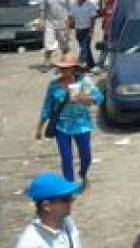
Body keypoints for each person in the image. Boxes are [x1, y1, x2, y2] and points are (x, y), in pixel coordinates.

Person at [35, 53, 103, 184]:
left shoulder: (84, 81)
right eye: (62, 68)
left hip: (82, 124)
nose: (64, 70)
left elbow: (99, 98)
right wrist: (40, 127)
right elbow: (47, 107)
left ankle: (83, 173)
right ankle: (69, 185)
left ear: (74, 68)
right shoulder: (54, 86)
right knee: (66, 157)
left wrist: (85, 98)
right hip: (62, 126)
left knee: (86, 156)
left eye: (67, 68)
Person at [14, 173, 83, 248]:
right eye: (66, 199)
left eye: (71, 198)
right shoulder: (30, 243)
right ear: (46, 206)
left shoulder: (68, 223)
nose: (71, 202)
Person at [40, 0, 76, 68]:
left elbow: (72, 11)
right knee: (48, 44)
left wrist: (70, 26)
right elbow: (43, 10)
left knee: (65, 45)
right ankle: (46, 63)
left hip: (64, 23)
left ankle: (67, 62)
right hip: (50, 23)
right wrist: (42, 22)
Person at [67, 0, 98, 71]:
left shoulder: (90, 4)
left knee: (84, 47)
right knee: (85, 47)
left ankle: (81, 63)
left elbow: (93, 18)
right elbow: (70, 16)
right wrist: (69, 26)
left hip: (87, 29)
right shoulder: (73, 5)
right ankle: (91, 64)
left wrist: (91, 30)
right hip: (78, 30)